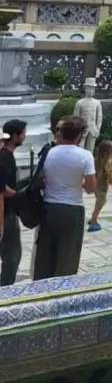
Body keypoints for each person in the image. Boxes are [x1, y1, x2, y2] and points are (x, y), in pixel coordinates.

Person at [33, 116, 96, 281]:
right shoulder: (85, 156)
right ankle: (61, 292)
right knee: (67, 255)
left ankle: (41, 289)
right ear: (79, 135)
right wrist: (78, 182)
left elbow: (41, 178)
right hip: (72, 208)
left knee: (45, 254)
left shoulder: (49, 152)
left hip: (49, 207)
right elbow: (91, 188)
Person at [0, 119, 26, 286]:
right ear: (15, 136)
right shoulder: (5, 158)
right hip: (5, 214)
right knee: (12, 255)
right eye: (23, 133)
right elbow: (3, 188)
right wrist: (21, 195)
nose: (25, 136)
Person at [87, 139, 112, 232]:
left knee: (100, 201)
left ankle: (93, 217)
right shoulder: (105, 161)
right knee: (101, 201)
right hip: (100, 185)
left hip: (100, 185)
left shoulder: (99, 160)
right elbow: (108, 174)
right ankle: (93, 219)